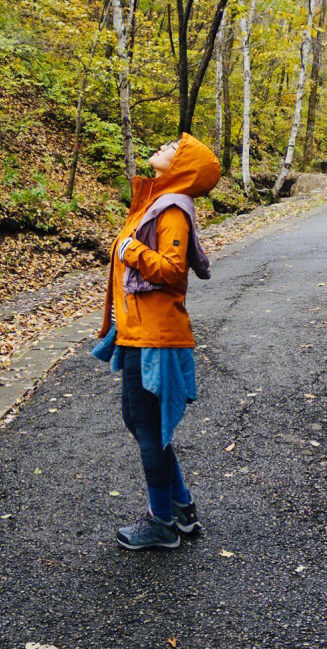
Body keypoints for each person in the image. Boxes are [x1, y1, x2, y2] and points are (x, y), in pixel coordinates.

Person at [93, 133, 220, 550]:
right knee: (140, 422)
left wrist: (131, 250)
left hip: (155, 337)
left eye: (172, 146)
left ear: (182, 165)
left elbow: (170, 269)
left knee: (148, 428)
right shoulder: (154, 202)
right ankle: (181, 508)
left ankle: (162, 522)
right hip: (135, 332)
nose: (163, 146)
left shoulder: (173, 212)